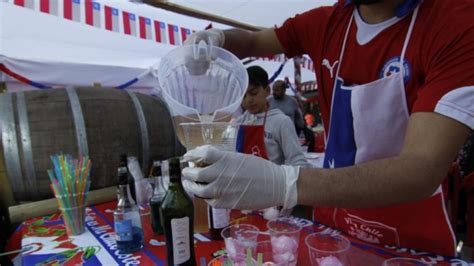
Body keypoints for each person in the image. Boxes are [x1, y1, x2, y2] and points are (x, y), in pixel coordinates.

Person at [182, 0, 473, 256]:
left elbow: (420, 169)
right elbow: (254, 42)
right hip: (332, 223)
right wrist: (217, 39)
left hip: (409, 232)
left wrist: (285, 183)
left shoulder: (456, 22)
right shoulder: (326, 22)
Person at [236, 66, 309, 218]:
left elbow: (297, 160)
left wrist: (286, 195)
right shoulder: (238, 123)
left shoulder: (281, 121)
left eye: (254, 93)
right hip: (245, 197)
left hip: (273, 198)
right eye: (243, 96)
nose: (249, 100)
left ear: (267, 90)